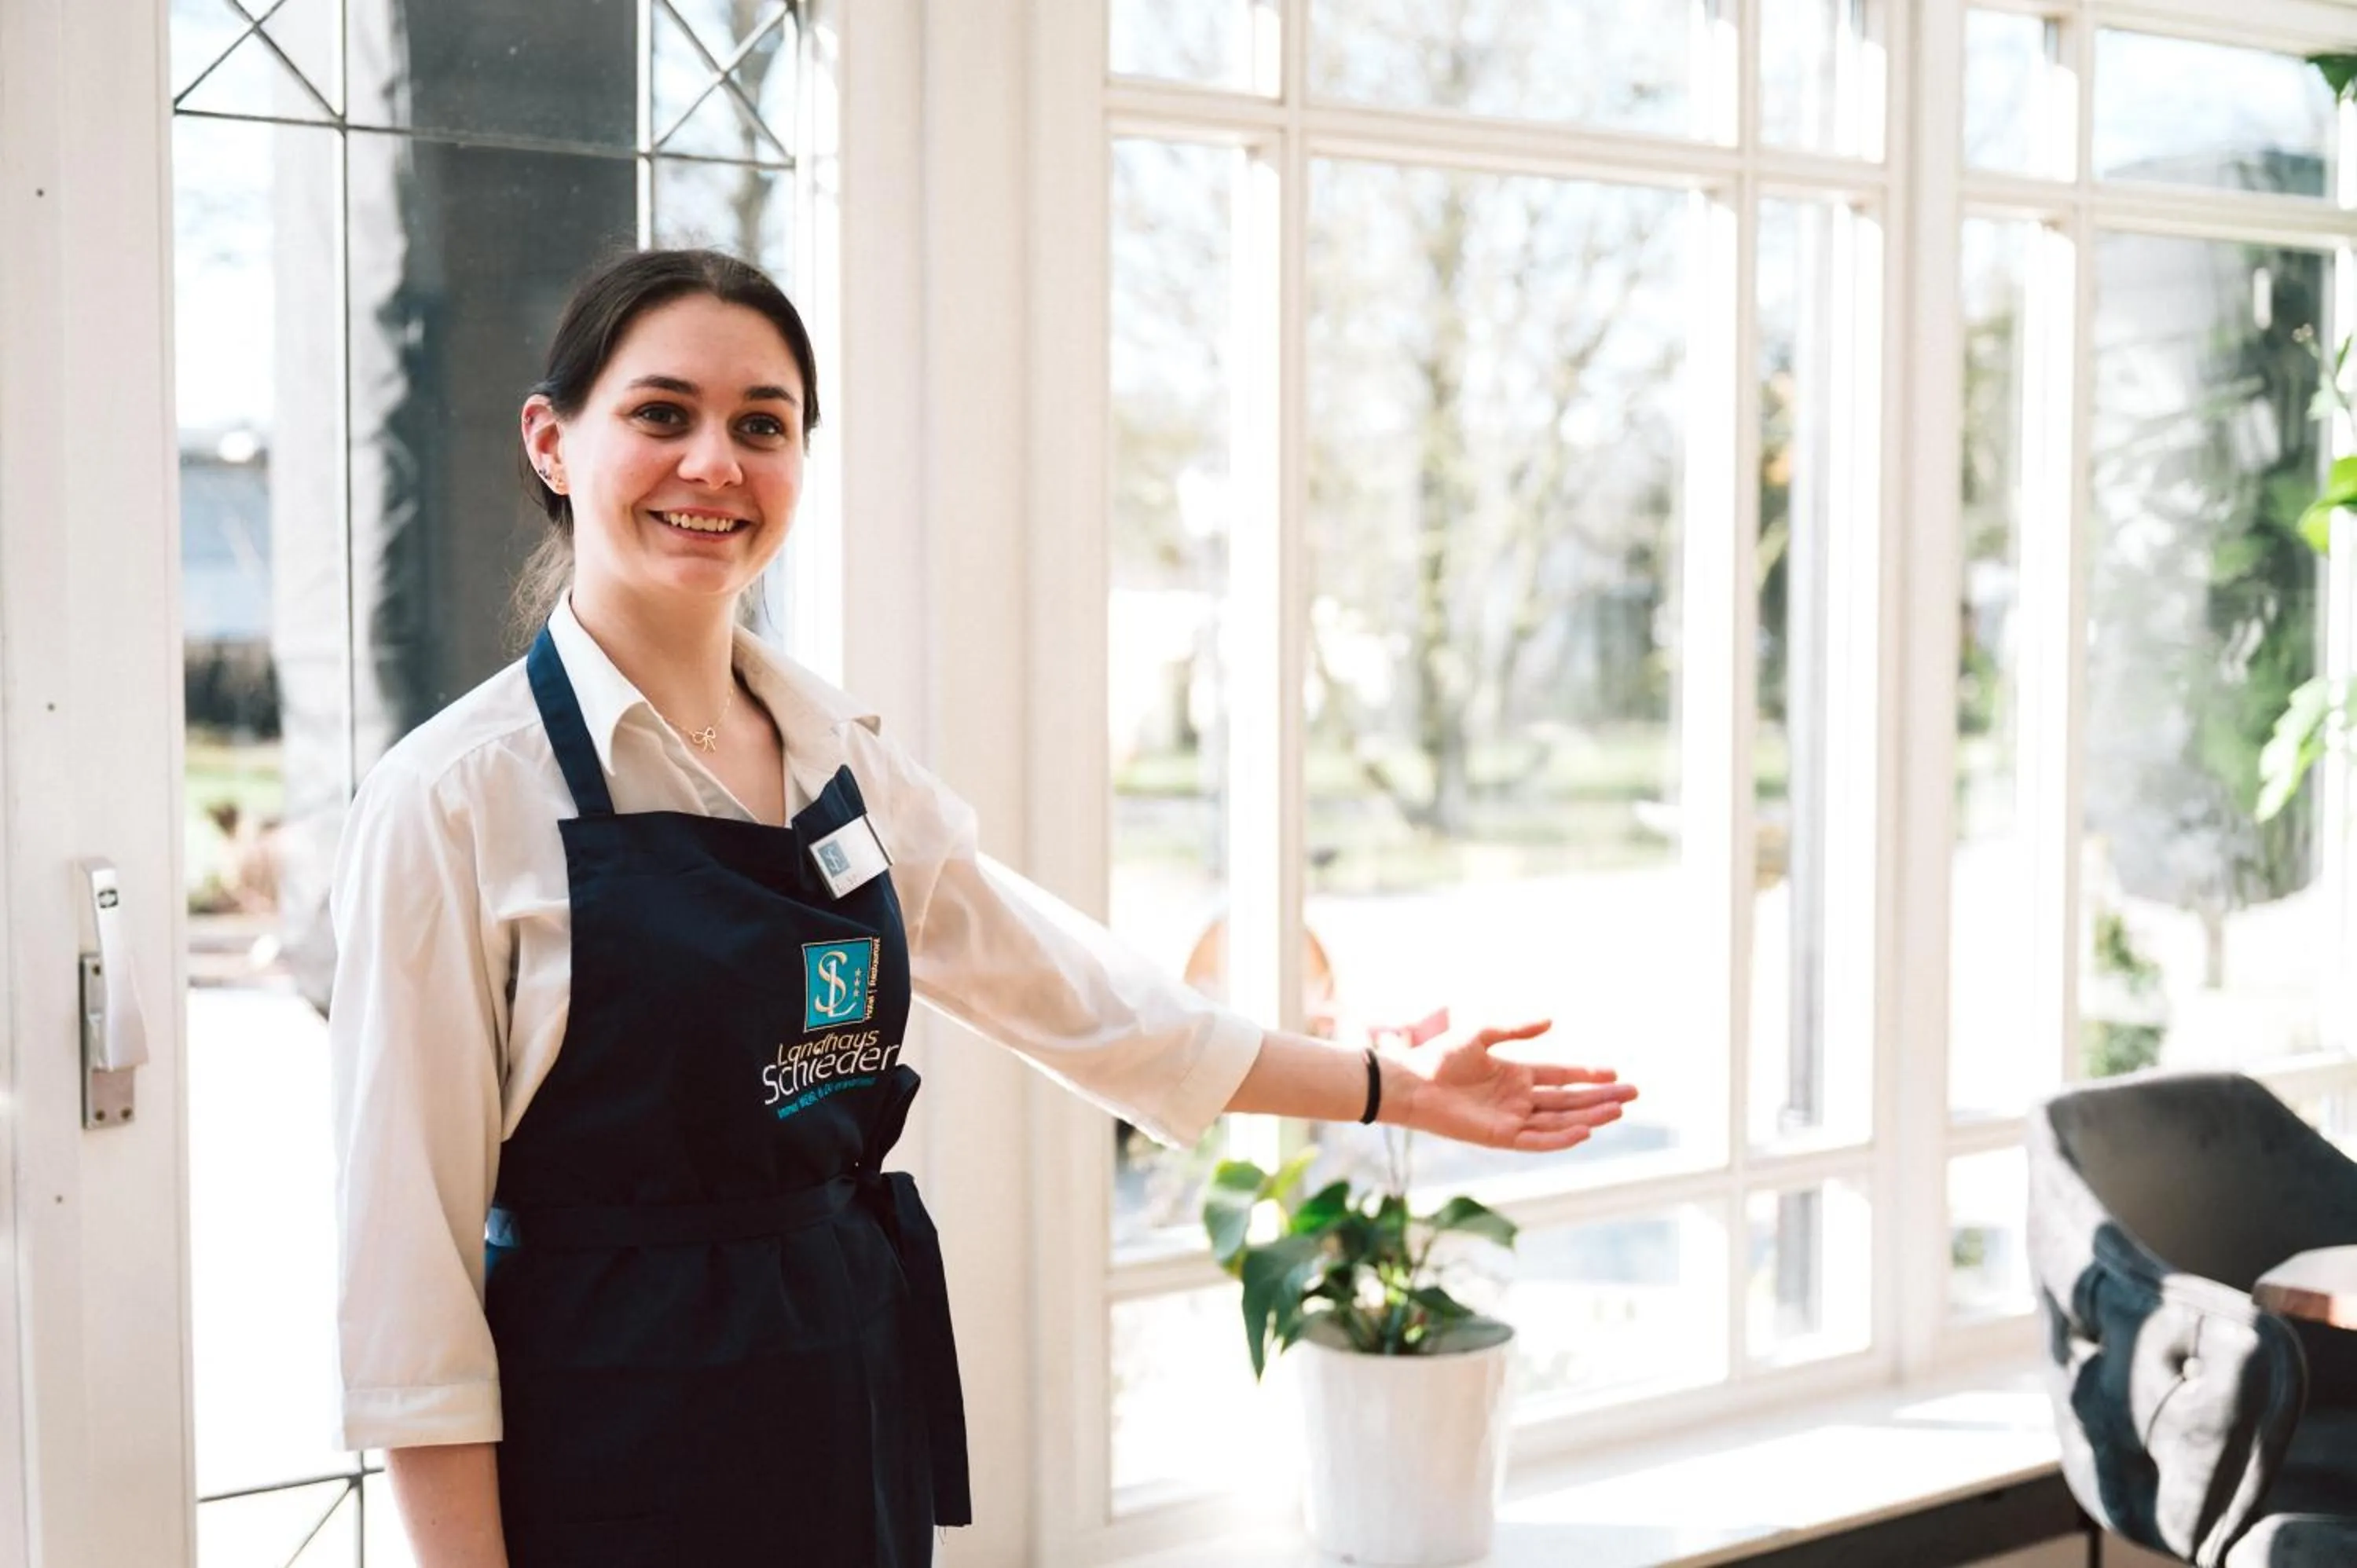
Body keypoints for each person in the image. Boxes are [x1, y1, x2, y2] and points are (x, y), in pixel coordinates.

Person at [325, 247, 1640, 1568]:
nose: (714, 463)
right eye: (662, 414)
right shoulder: (453, 802)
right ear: (553, 442)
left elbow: (1088, 1004)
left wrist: (1389, 1088)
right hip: (602, 1453)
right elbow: (408, 1291)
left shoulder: (839, 759)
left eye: (762, 426)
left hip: (844, 1412)